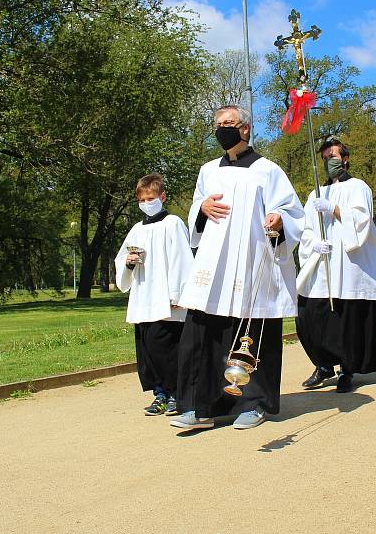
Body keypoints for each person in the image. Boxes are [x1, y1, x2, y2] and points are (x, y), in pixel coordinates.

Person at [173, 105, 305, 431]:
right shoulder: (208, 170)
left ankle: (255, 403)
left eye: (229, 123)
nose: (222, 129)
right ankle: (199, 407)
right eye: (218, 124)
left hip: (251, 262)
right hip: (213, 267)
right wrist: (201, 208)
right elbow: (196, 212)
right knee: (202, 332)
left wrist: (280, 220)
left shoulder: (268, 170)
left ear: (245, 129)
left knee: (253, 333)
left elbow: (291, 213)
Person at [296, 137, 376, 393]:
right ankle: (324, 364)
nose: (329, 162)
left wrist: (334, 208)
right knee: (308, 317)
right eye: (325, 158)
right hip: (322, 264)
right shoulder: (315, 193)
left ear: (345, 159)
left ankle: (347, 369)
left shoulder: (358, 186)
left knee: (347, 320)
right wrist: (313, 242)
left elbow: (361, 222)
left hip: (348, 266)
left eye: (333, 157)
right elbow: (304, 228)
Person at [114, 174, 194, 416]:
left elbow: (181, 259)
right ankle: (159, 393)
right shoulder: (137, 229)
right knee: (148, 350)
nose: (146, 202)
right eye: (141, 199)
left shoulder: (173, 223)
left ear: (162, 197)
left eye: (150, 198)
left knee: (167, 348)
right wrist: (128, 263)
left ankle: (176, 394)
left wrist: (178, 294)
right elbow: (122, 258)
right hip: (143, 298)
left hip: (166, 300)